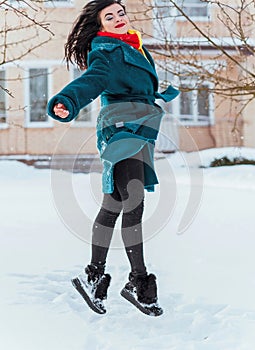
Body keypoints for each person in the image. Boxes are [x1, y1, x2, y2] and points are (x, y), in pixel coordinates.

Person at [47, 0, 179, 317]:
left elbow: (131, 86)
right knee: (133, 202)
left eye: (121, 13)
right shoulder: (106, 49)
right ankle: (139, 281)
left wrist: (159, 95)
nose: (119, 18)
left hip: (140, 127)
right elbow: (93, 79)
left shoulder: (133, 45)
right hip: (122, 130)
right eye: (110, 16)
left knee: (114, 205)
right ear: (101, 24)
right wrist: (68, 100)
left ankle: (93, 274)